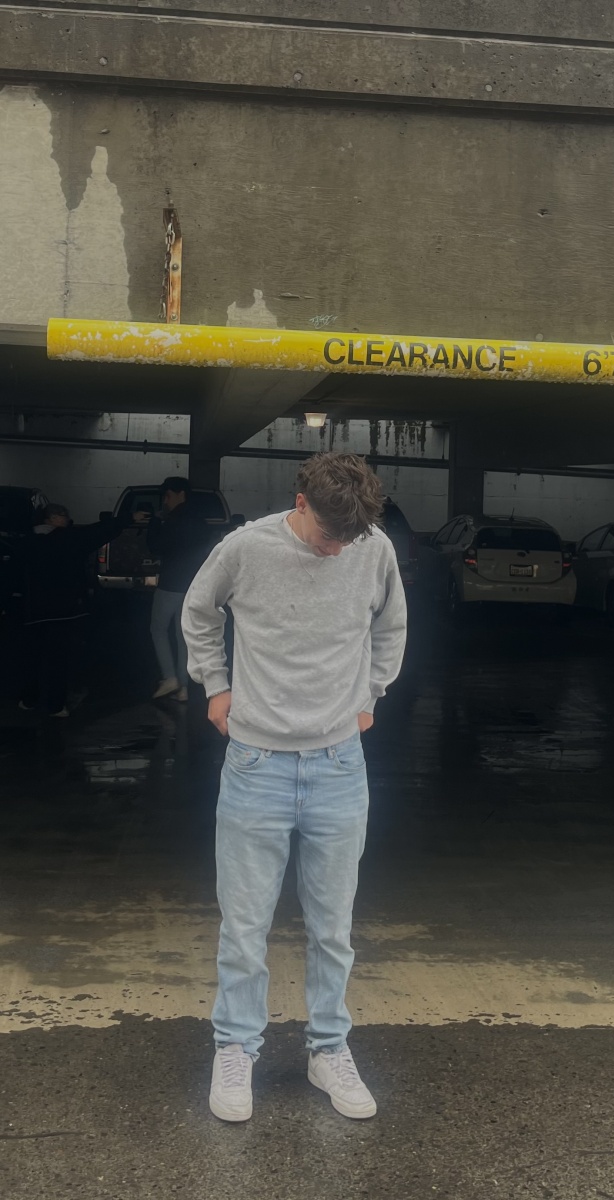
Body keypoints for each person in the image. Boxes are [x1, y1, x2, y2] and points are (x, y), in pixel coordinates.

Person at [182, 452, 407, 1124]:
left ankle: (328, 1049)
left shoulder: (373, 547)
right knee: (244, 927)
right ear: (300, 502)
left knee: (333, 928)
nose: (337, 549)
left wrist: (372, 692)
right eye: (329, 535)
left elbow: (391, 625)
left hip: (339, 764)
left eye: (350, 538)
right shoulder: (244, 548)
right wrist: (215, 685)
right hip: (257, 763)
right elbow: (198, 612)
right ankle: (235, 1048)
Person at [18, 503, 128, 717]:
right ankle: (55, 705)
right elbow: (95, 533)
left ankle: (29, 699)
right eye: (63, 515)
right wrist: (124, 520)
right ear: (50, 518)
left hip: (35, 609)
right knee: (58, 658)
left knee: (34, 656)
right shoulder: (67, 539)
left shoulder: (28, 541)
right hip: (63, 608)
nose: (67, 519)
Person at [140, 477, 211, 702]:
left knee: (158, 629)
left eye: (168, 495)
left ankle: (169, 677)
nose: (165, 500)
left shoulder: (173, 520)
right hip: (193, 584)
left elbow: (155, 546)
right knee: (183, 635)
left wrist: (155, 522)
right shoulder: (201, 521)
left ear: (180, 494)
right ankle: (184, 687)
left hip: (171, 583)